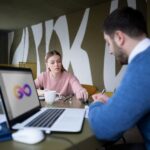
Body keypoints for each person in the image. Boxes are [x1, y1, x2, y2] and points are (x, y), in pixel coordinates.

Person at [88, 7, 150, 149]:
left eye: (108, 43)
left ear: (119, 37)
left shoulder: (143, 66)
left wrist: (95, 105)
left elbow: (104, 128)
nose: (110, 50)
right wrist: (114, 103)